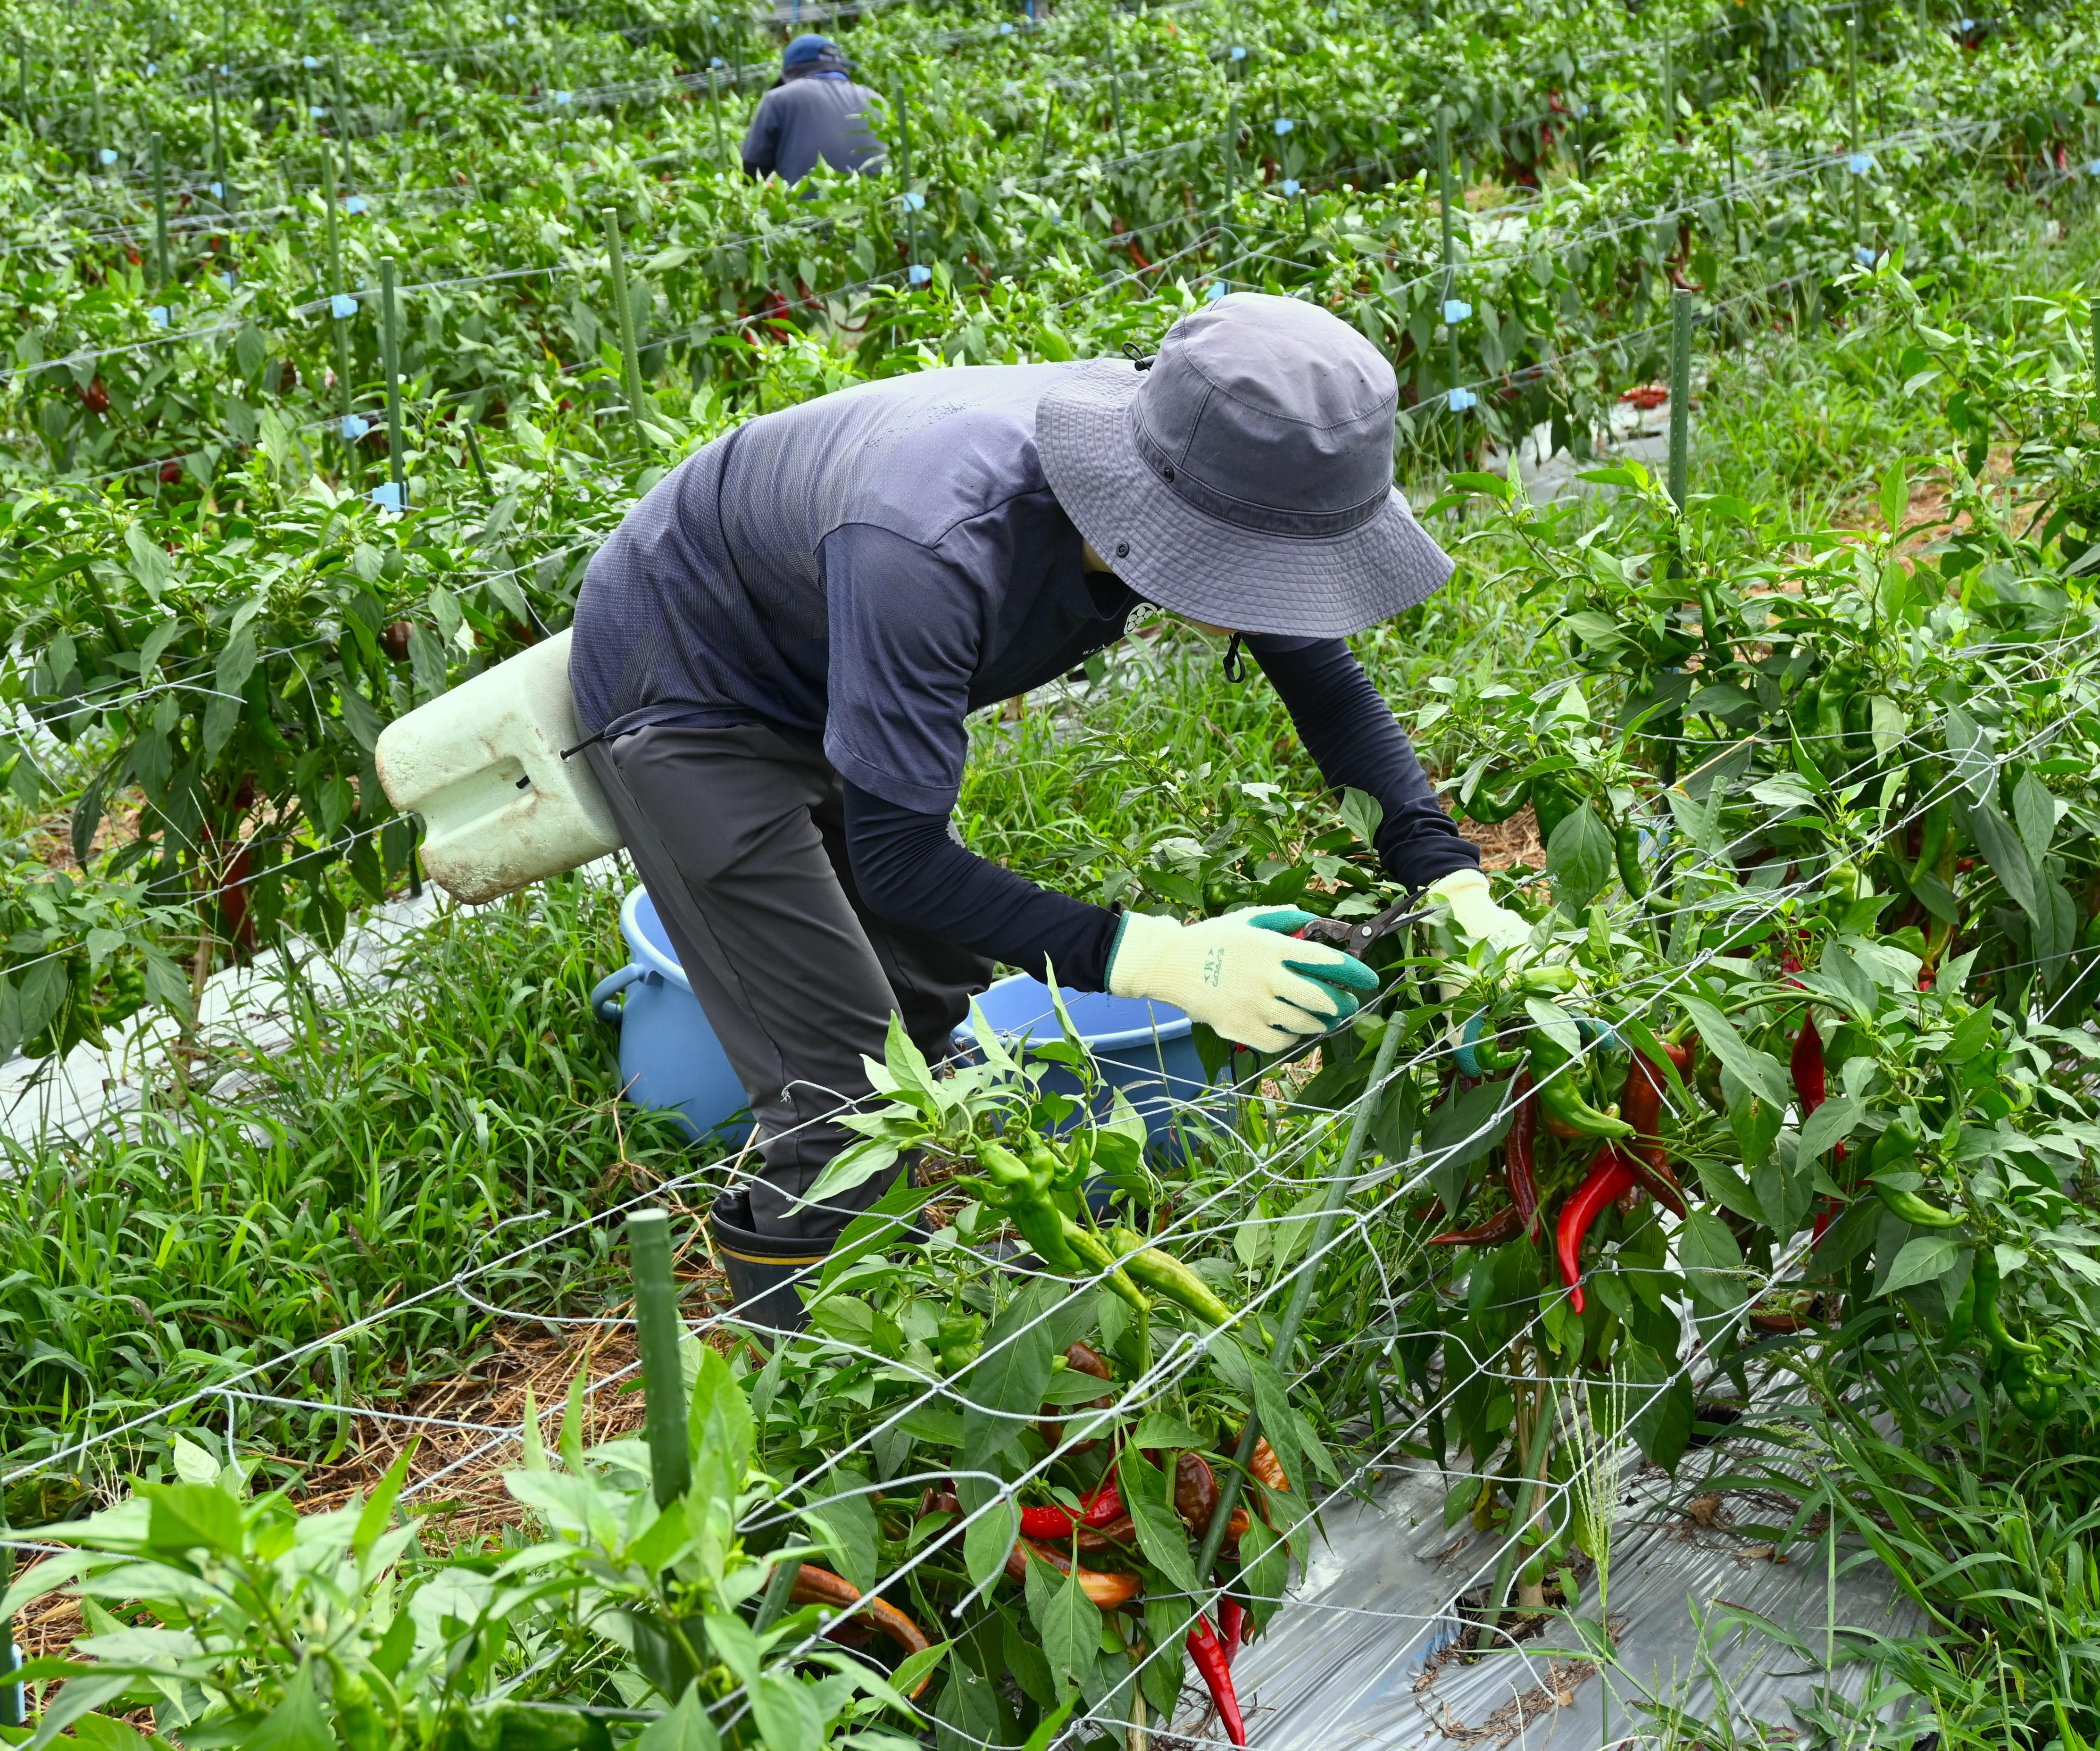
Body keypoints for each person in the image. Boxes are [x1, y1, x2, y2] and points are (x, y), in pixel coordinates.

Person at [567, 292, 1531, 1326]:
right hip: (689, 685)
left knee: (927, 999)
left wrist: (1450, 875)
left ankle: (913, 1283)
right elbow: (903, 861)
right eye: (1269, 574)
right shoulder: (933, 546)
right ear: (1175, 528)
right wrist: (1160, 958)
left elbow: (1328, 686)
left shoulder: (1183, 466)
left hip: (830, 642)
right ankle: (822, 1397)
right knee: (847, 1094)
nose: (1283, 599)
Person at [741, 33, 885, 187]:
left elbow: (751, 174)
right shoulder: (876, 100)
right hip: (876, 205)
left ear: (790, 73)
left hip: (805, 209)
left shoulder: (779, 99)